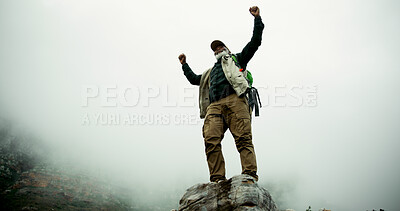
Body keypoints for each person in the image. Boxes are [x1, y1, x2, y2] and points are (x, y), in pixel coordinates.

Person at [178, 6, 265, 182]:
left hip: (236, 99)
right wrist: (184, 65)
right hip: (214, 106)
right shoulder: (210, 72)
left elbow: (255, 42)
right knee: (210, 140)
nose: (217, 50)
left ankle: (249, 175)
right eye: (215, 49)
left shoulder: (237, 59)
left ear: (227, 49)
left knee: (243, 138)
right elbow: (195, 79)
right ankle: (217, 179)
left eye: (220, 47)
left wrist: (257, 19)